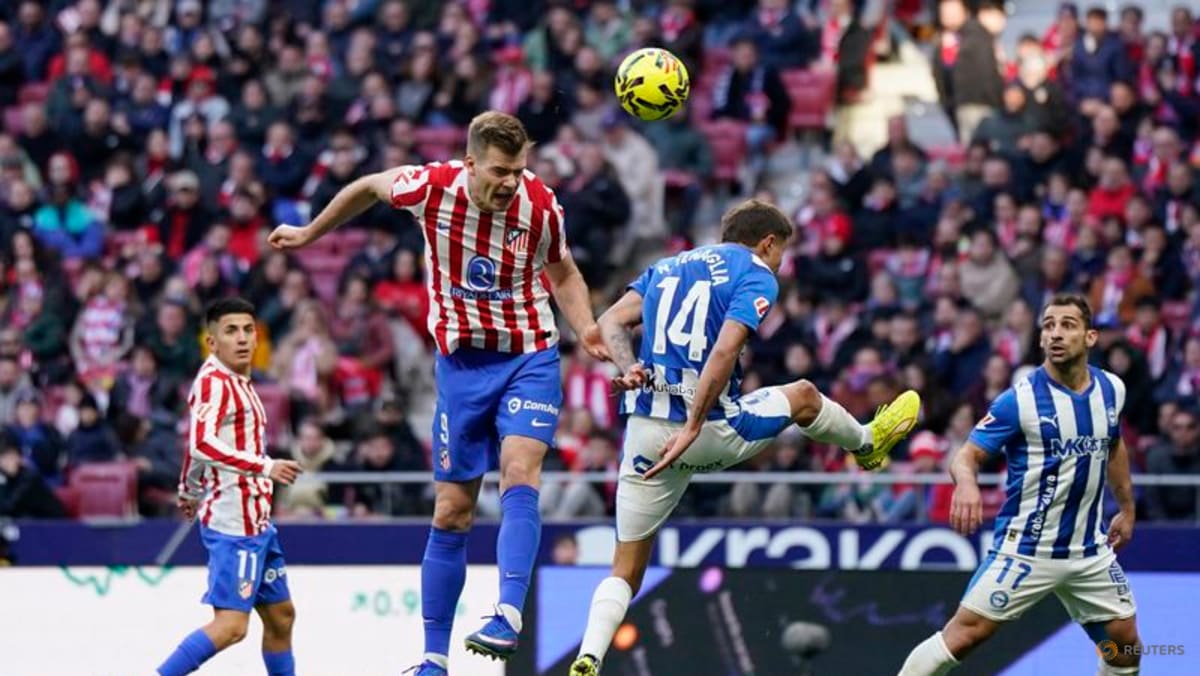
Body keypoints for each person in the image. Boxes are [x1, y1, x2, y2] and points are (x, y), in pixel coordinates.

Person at [267, 111, 608, 674]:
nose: (509, 183)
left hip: (529, 354)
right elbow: (369, 186)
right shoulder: (432, 187)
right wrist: (310, 234)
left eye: (518, 172)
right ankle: (432, 660)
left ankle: (507, 613)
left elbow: (564, 272)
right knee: (451, 512)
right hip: (460, 366)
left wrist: (585, 327)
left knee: (520, 472)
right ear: (470, 163)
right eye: (499, 171)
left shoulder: (540, 205)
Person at [569, 200, 921, 675]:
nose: (779, 264)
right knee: (803, 395)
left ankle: (589, 655)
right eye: (781, 253)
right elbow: (725, 348)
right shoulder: (756, 273)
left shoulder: (669, 265)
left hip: (645, 436)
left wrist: (627, 365)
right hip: (709, 430)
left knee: (626, 569)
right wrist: (695, 422)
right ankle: (866, 443)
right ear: (767, 242)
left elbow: (608, 321)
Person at [897, 294, 1141, 676]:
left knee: (1125, 648)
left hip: (1088, 550)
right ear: (1041, 338)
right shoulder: (1020, 400)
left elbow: (1113, 445)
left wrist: (1126, 509)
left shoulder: (1112, 390)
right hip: (1026, 550)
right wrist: (966, 485)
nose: (1056, 334)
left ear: (1091, 337)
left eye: (1068, 325)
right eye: (1048, 325)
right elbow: (966, 456)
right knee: (962, 636)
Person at [155, 298, 304, 676]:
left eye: (248, 330)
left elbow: (198, 446)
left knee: (282, 616)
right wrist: (266, 466)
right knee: (232, 627)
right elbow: (201, 443)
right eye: (230, 331)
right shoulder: (214, 383)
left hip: (258, 521)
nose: (241, 339)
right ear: (212, 341)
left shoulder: (239, 381)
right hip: (234, 524)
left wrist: (188, 489)